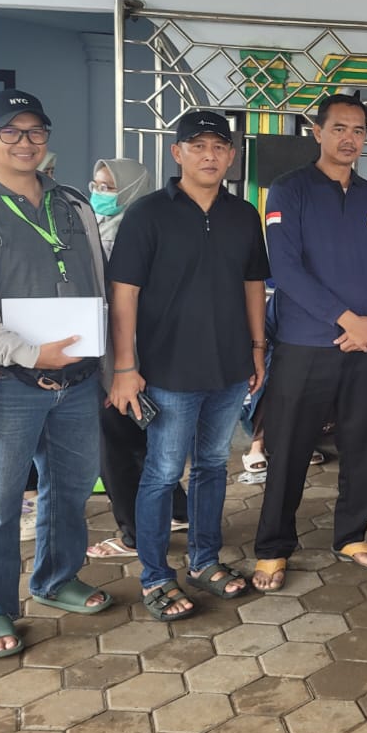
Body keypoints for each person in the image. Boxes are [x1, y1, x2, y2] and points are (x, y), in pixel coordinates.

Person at [0, 88, 112, 657]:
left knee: (70, 492)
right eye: (10, 131)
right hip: (8, 384)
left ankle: (56, 579)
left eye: (35, 131)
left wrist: (109, 364)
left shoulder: (74, 205)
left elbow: (100, 284)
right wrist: (28, 354)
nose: (25, 142)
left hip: (78, 383)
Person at [108, 109, 269, 621]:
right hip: (169, 371)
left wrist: (257, 349)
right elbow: (124, 293)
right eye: (198, 146)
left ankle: (203, 561)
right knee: (161, 473)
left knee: (212, 467)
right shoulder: (148, 214)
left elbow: (253, 284)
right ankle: (155, 576)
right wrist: (125, 366)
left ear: (231, 156)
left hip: (229, 368)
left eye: (219, 147)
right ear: (177, 153)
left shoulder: (243, 214)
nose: (209, 156)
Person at [251, 91, 367, 592]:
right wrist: (346, 320)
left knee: (363, 444)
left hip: (366, 346)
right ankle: (274, 547)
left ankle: (351, 535)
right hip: (306, 342)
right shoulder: (289, 189)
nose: (349, 139)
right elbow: (285, 268)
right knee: (289, 447)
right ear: (317, 132)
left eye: (358, 130)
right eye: (339, 128)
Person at [84, 158, 190, 559]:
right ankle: (177, 511)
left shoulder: (128, 236)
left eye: (108, 188)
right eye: (96, 185)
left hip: (123, 362)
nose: (99, 194)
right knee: (144, 442)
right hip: (130, 359)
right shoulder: (100, 230)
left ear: (131, 190)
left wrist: (121, 367)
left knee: (117, 449)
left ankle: (134, 535)